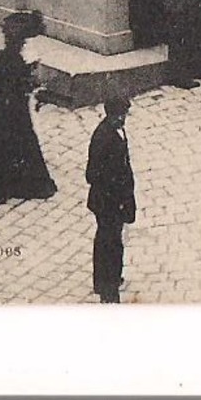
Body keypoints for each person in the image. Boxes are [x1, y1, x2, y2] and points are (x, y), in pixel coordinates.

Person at [0, 11, 58, 207]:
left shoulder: (8, 58)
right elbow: (19, 84)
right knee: (19, 141)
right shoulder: (16, 60)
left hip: (0, 107)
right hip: (13, 108)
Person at [86, 97, 136, 303]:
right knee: (111, 244)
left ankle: (106, 280)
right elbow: (91, 174)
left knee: (109, 240)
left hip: (115, 199)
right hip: (108, 202)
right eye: (120, 115)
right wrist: (116, 195)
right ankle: (108, 289)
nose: (123, 119)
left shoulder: (116, 130)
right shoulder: (103, 138)